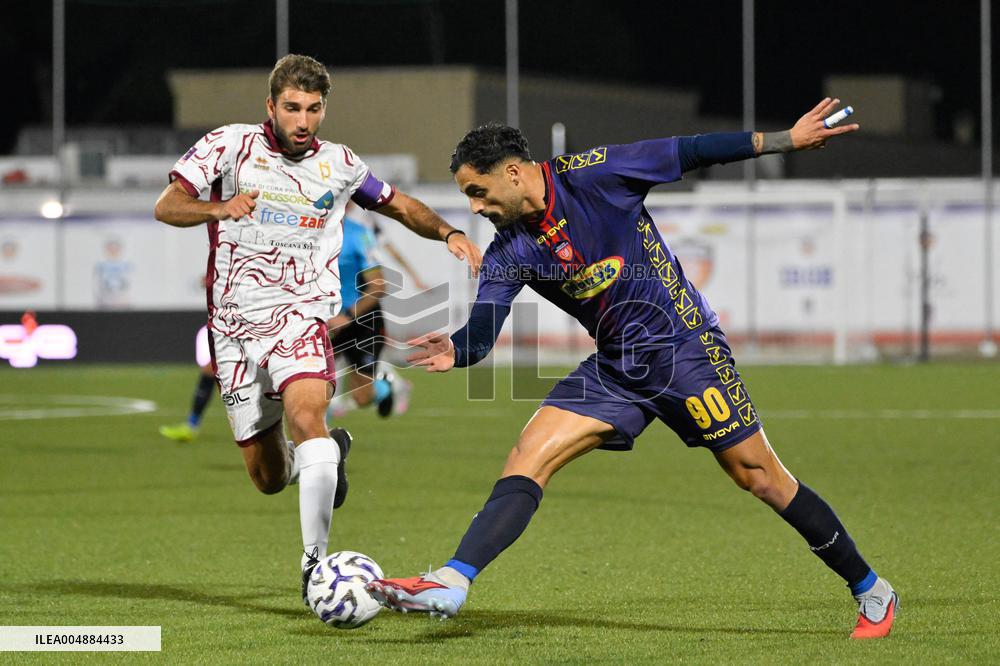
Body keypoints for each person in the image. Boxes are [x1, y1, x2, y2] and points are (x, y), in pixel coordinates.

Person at [367, 99, 897, 639]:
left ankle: (872, 590)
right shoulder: (509, 251)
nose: (474, 208)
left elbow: (690, 152)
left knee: (758, 477)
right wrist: (459, 349)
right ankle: (454, 580)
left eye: (476, 191)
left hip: (682, 349)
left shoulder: (597, 175)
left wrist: (783, 140)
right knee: (530, 453)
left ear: (512, 172)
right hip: (617, 368)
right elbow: (483, 330)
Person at [153, 54, 482, 607]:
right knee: (266, 476)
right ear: (271, 107)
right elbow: (167, 206)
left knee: (309, 417)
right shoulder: (229, 146)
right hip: (234, 329)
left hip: (304, 317)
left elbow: (397, 203)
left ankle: (314, 565)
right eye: (292, 108)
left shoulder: (341, 164)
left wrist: (448, 232)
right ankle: (327, 456)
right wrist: (220, 207)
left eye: (313, 108)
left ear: (323, 108)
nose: (303, 120)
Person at [325, 209, 422, 419]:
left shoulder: (359, 233)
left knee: (361, 397)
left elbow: (378, 286)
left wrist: (347, 316)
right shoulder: (307, 233)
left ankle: (388, 385)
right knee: (315, 387)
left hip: (362, 321)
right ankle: (317, 445)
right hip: (326, 320)